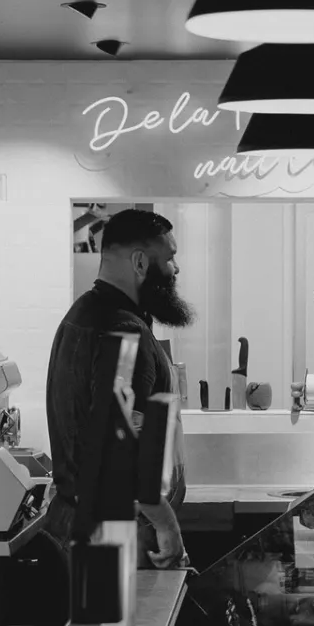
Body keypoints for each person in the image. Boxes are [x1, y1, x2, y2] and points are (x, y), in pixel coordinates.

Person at [44, 208, 193, 569]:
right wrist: (167, 525)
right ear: (141, 263)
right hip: (117, 536)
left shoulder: (79, 314)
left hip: (81, 524)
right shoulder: (126, 333)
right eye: (170, 259)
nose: (176, 270)